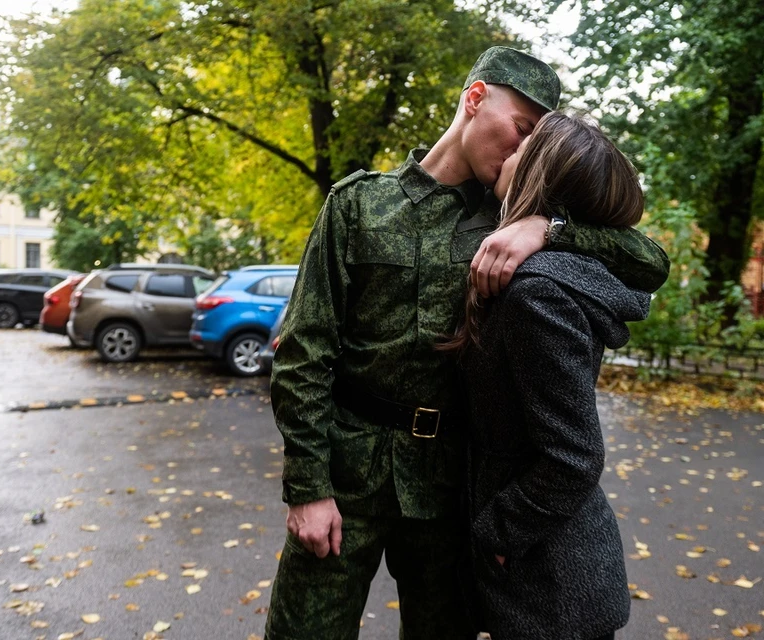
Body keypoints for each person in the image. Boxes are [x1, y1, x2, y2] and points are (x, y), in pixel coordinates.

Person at [264, 46, 670, 640]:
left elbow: (649, 261)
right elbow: (304, 351)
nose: (523, 150)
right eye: (522, 129)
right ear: (476, 99)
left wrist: (548, 227)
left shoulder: (516, 216)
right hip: (346, 471)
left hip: (452, 485)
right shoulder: (358, 203)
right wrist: (308, 489)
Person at [442, 112, 649, 640]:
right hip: (545, 561)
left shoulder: (538, 292)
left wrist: (496, 534)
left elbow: (574, 456)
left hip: (550, 572)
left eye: (527, 142)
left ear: (541, 171)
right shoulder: (553, 269)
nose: (513, 146)